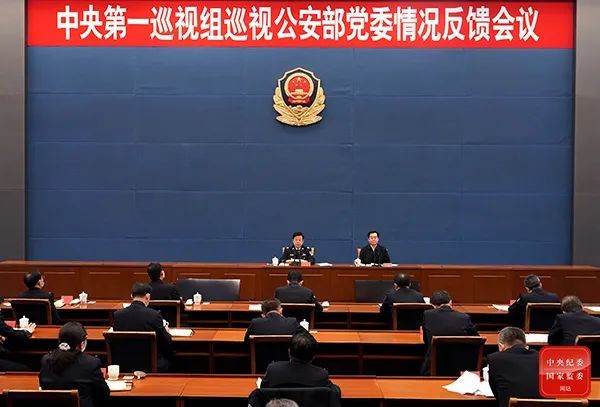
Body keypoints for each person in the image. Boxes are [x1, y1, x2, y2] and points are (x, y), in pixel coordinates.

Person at [39, 322, 109, 407]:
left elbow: (43, 386)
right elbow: (104, 393)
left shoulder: (46, 360)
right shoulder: (91, 363)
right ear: (82, 343)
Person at [112, 283, 174, 372]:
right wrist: (166, 332)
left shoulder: (118, 315)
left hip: (124, 364)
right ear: (148, 297)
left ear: (131, 296)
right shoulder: (154, 315)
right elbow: (165, 342)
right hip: (150, 363)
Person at [261, 331, 341, 397]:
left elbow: (262, 391)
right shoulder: (320, 375)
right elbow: (335, 392)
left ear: (289, 352)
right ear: (313, 357)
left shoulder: (273, 369)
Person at [421, 290, 478, 375]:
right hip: (460, 366)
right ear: (450, 302)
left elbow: (426, 340)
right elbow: (476, 339)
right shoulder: (464, 318)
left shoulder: (427, 314)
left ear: (432, 305)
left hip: (435, 366)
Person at [488, 327, 540, 407]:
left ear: (501, 346)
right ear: (526, 346)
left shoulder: (495, 359)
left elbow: (497, 394)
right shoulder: (543, 358)